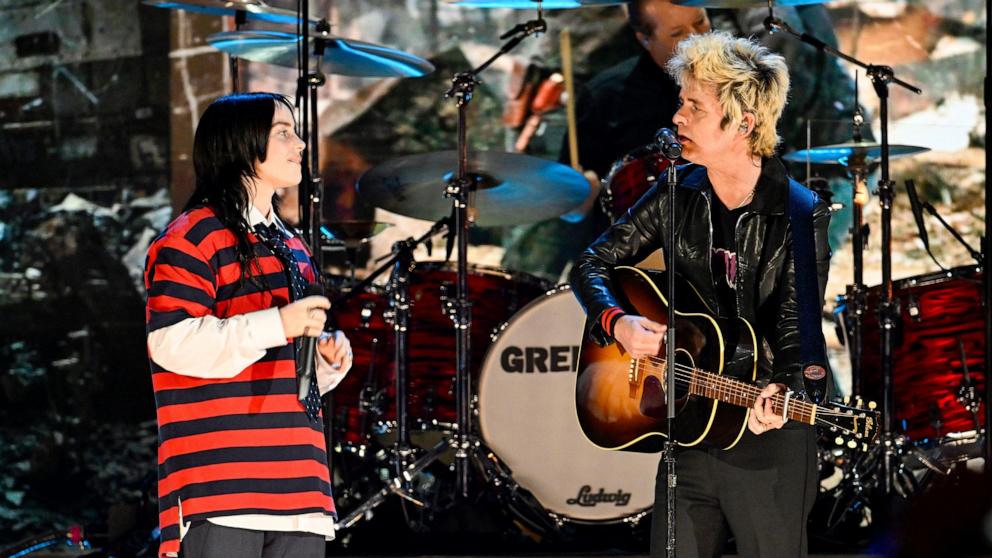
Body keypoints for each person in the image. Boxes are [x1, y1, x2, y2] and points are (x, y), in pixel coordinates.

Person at [570, 31, 831, 558]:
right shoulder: (676, 189)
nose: (677, 118)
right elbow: (593, 262)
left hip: (764, 434)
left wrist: (786, 391)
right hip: (687, 425)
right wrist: (617, 322)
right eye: (681, 102)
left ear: (743, 123)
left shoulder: (800, 212)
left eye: (694, 105)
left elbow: (796, 329)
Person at [144, 92, 354, 558]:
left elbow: (288, 368)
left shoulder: (293, 246)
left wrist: (323, 361)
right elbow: (172, 343)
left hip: (300, 485)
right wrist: (276, 324)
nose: (299, 145)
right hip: (221, 488)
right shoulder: (192, 236)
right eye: (283, 132)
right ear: (240, 144)